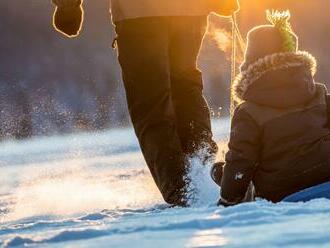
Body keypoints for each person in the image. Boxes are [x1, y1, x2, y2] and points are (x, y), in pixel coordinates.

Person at [51, 0, 240, 206]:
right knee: (185, 89)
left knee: (151, 100)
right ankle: (202, 173)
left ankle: (185, 190)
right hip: (189, 10)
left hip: (140, 13)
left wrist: (67, 5)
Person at [213, 10, 330, 206]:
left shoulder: (249, 111)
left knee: (222, 170)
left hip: (285, 191)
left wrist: (228, 197)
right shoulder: (320, 95)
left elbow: (241, 163)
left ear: (250, 63)